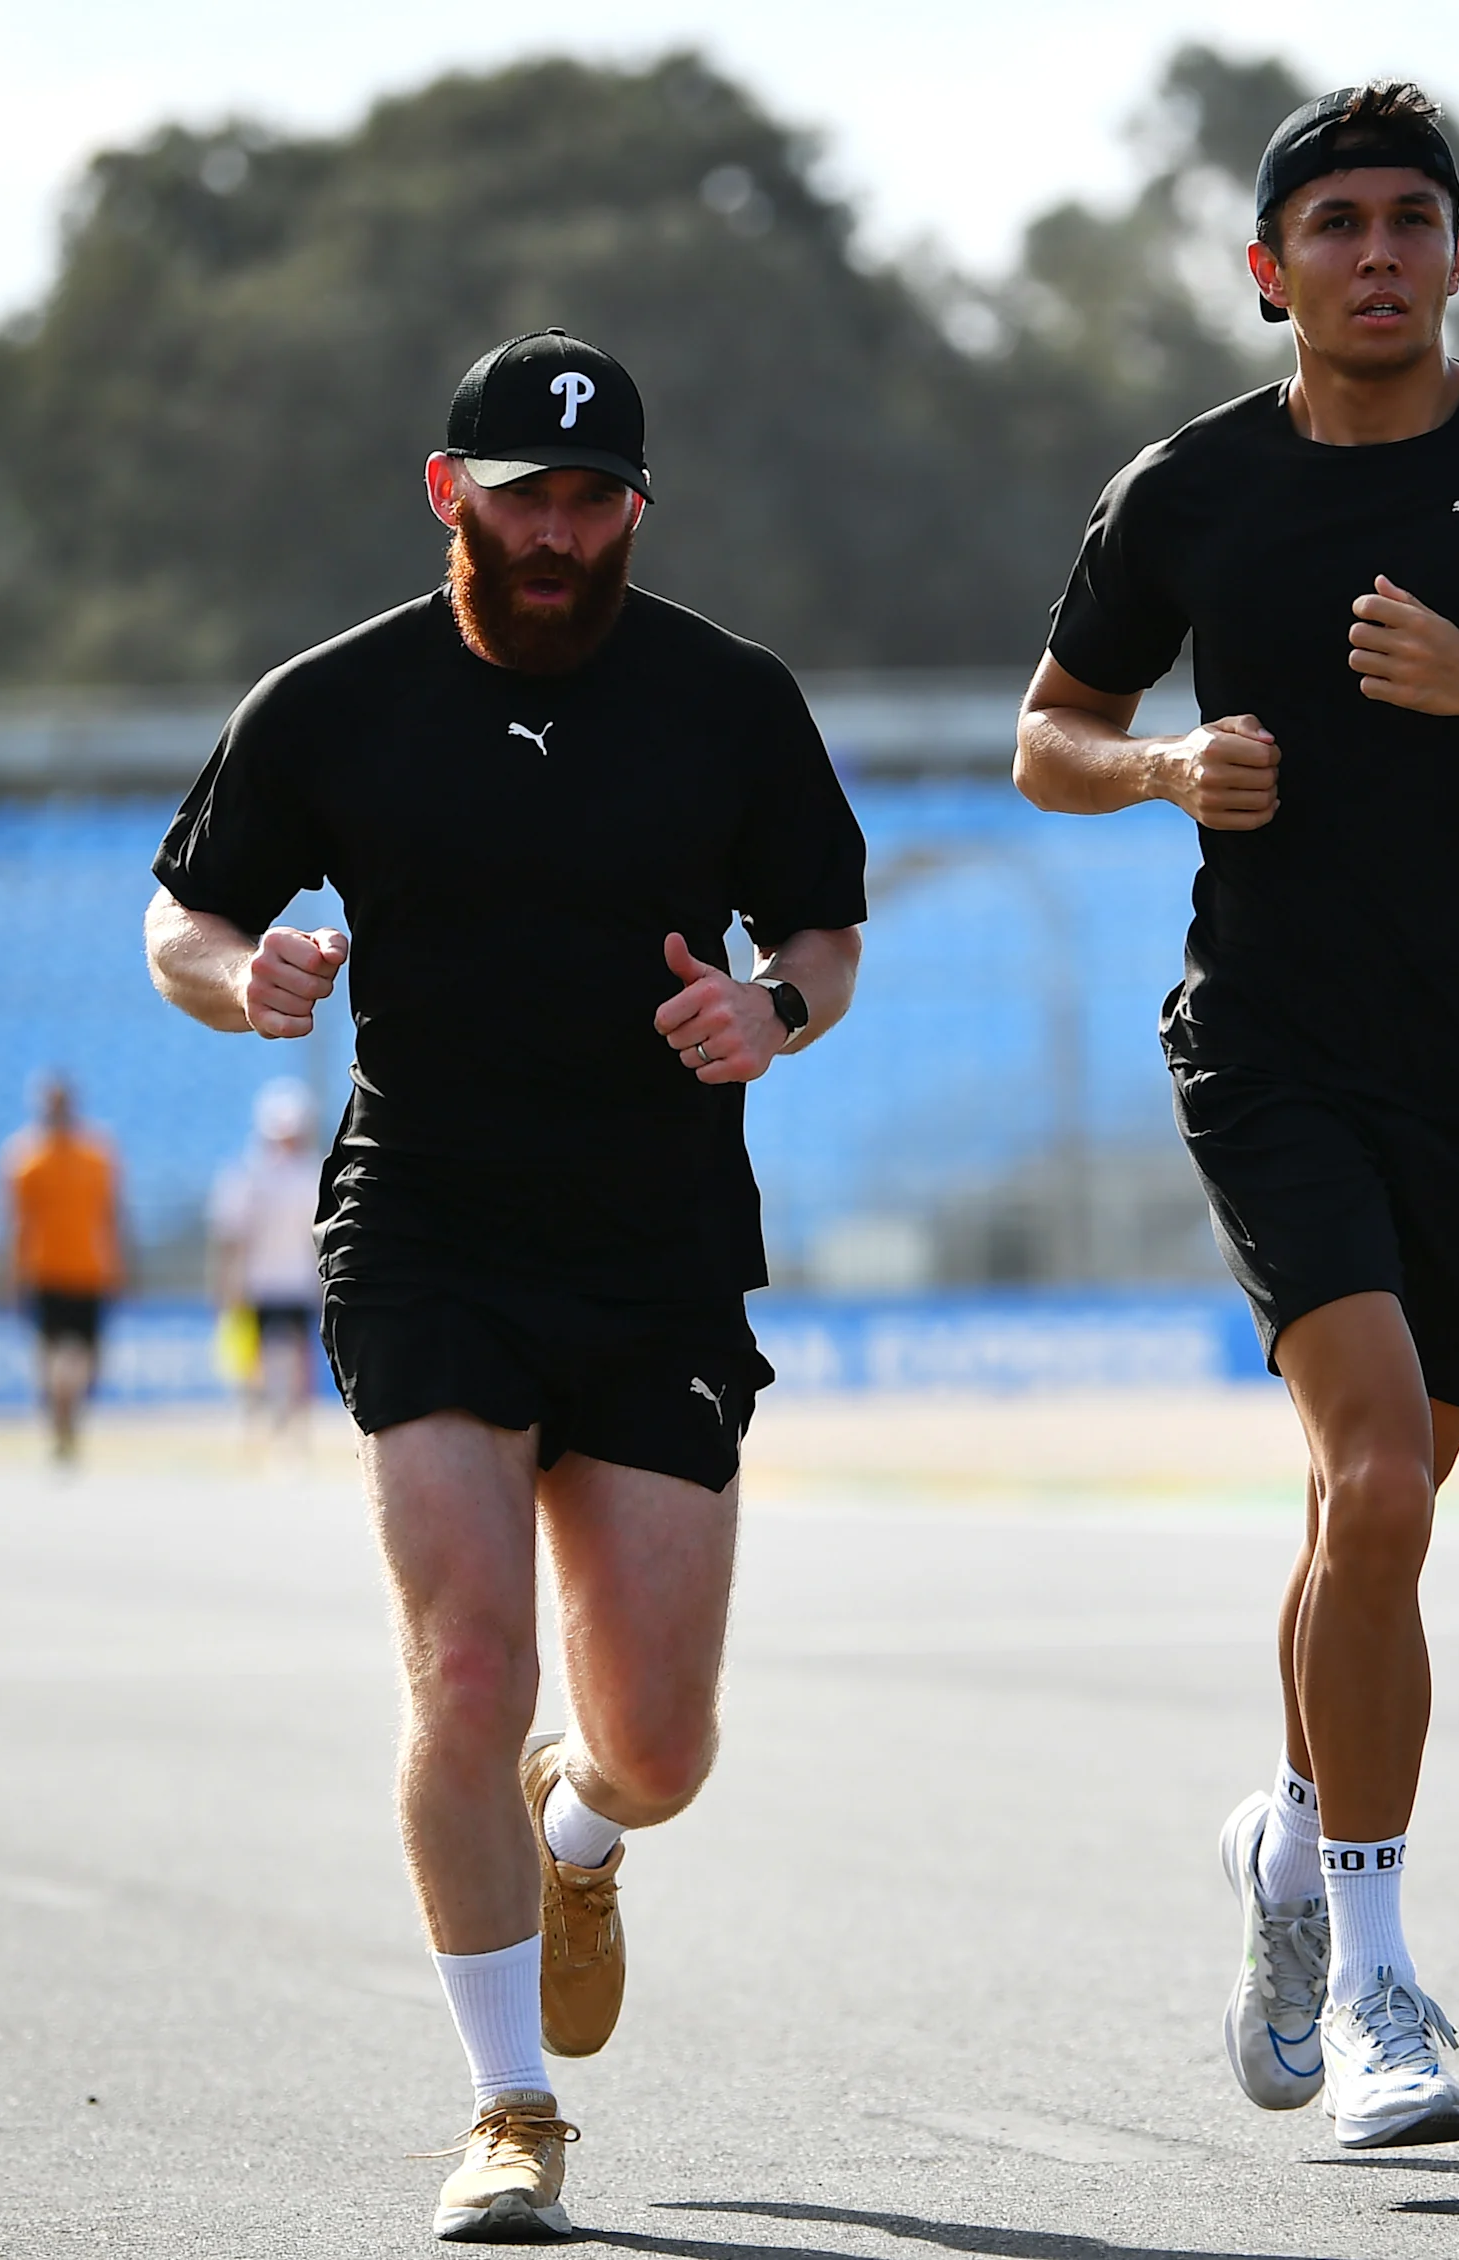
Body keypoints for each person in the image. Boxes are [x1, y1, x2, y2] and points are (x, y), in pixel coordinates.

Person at [1015, 82, 1459, 2153]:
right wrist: (1162, 771)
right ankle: (1379, 1980)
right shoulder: (1188, 491)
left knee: (1379, 1501)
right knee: (1378, 1481)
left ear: (1453, 254)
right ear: (1270, 270)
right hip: (1269, 1046)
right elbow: (1045, 734)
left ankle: (1286, 1841)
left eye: (1411, 218)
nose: (1377, 251)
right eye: (1333, 223)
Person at [142, 327, 866, 2242]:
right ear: (448, 490)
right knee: (464, 1660)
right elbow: (184, 913)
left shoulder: (727, 698)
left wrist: (769, 1007)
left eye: (594, 500)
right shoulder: (334, 703)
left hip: (655, 1246)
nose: (559, 534)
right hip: (428, 1227)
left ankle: (580, 1825)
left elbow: (822, 929)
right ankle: (508, 2110)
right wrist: (245, 979)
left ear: (635, 507)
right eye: (526, 496)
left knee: (664, 1748)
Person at [0, 1078, 121, 1465]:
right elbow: (16, 1224)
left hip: (77, 1269)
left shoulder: (37, 1156)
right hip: (57, 1270)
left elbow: (111, 1215)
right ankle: (64, 1426)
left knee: (64, 1356)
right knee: (67, 1356)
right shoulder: (31, 1159)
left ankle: (62, 1423)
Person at [209, 1080, 326, 1449]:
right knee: (256, 1362)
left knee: (293, 1360)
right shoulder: (249, 1175)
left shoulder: (309, 1173)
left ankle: (290, 1432)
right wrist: (227, 1283)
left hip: (295, 1282)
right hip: (258, 1283)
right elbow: (232, 1237)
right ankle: (261, 1426)